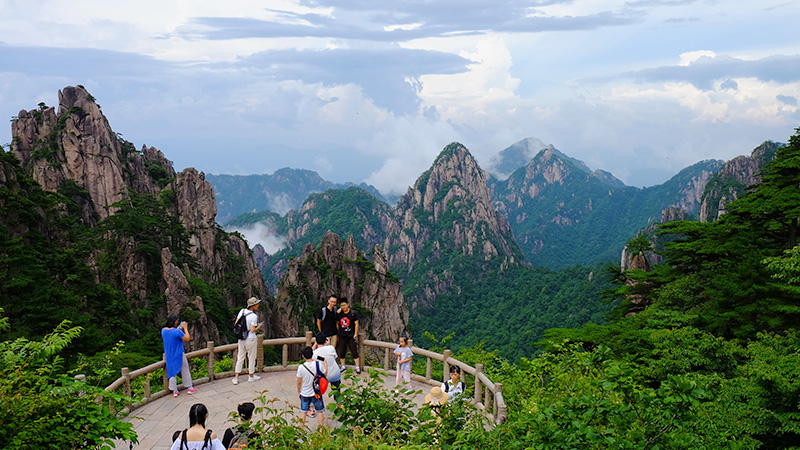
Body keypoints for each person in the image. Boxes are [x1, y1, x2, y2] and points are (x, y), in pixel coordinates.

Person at [162, 313, 197, 397]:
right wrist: (185, 328)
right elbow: (187, 338)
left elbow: (172, 333)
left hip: (169, 355)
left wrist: (178, 329)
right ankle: (190, 387)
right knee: (185, 370)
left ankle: (175, 390)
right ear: (174, 322)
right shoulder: (177, 332)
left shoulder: (163, 330)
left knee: (172, 372)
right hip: (179, 354)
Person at [232, 297, 264, 385]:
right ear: (253, 306)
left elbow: (236, 324)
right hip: (250, 338)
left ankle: (236, 377)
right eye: (257, 304)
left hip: (241, 338)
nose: (258, 305)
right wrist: (259, 326)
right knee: (251, 357)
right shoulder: (253, 316)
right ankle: (251, 376)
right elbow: (253, 330)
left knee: (240, 357)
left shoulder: (242, 311)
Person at [297, 346, 327, 427]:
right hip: (316, 392)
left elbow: (299, 382)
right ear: (312, 354)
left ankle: (300, 430)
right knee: (320, 411)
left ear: (303, 356)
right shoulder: (318, 364)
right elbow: (324, 375)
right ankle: (321, 430)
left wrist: (299, 392)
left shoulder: (301, 367)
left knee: (303, 412)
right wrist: (325, 364)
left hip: (305, 392)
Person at [313, 332, 341, 403]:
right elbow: (334, 356)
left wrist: (315, 344)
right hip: (335, 373)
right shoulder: (331, 348)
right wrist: (328, 344)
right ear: (326, 340)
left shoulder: (315, 353)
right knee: (337, 391)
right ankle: (339, 405)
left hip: (324, 375)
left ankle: (315, 406)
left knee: (316, 389)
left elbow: (309, 354)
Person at [335, 298, 361, 374]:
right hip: (342, 335)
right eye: (341, 305)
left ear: (348, 305)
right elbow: (337, 323)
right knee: (342, 351)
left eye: (344, 305)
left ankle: (357, 367)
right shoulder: (339, 313)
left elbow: (356, 323)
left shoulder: (353, 313)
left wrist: (355, 334)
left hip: (350, 335)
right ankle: (343, 366)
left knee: (354, 351)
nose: (343, 307)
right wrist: (338, 332)